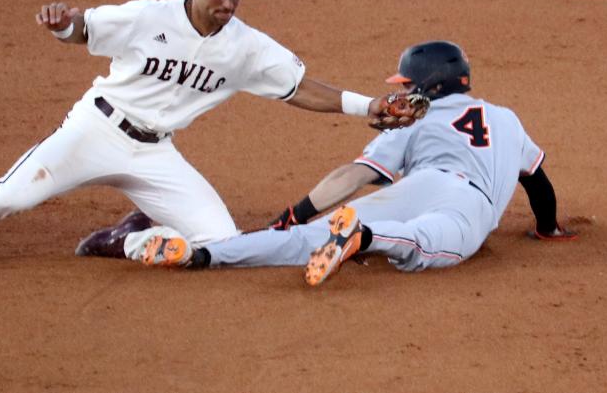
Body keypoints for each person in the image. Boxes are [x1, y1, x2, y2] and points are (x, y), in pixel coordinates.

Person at [0, 0, 424, 270]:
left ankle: (120, 236)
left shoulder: (248, 46)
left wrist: (368, 104)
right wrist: (62, 24)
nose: (228, 3)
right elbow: (83, 30)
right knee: (8, 198)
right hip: (93, 133)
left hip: (156, 154)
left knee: (221, 248)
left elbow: (300, 88)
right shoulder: (149, 16)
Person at [132, 40, 578, 285]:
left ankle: (204, 254)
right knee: (423, 244)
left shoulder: (414, 121)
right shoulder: (506, 119)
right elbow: (538, 183)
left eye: (407, 84)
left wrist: (294, 214)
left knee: (303, 237)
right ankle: (361, 236)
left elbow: (355, 175)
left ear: (431, 85)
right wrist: (547, 228)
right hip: (467, 203)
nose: (401, 92)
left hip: (411, 189)